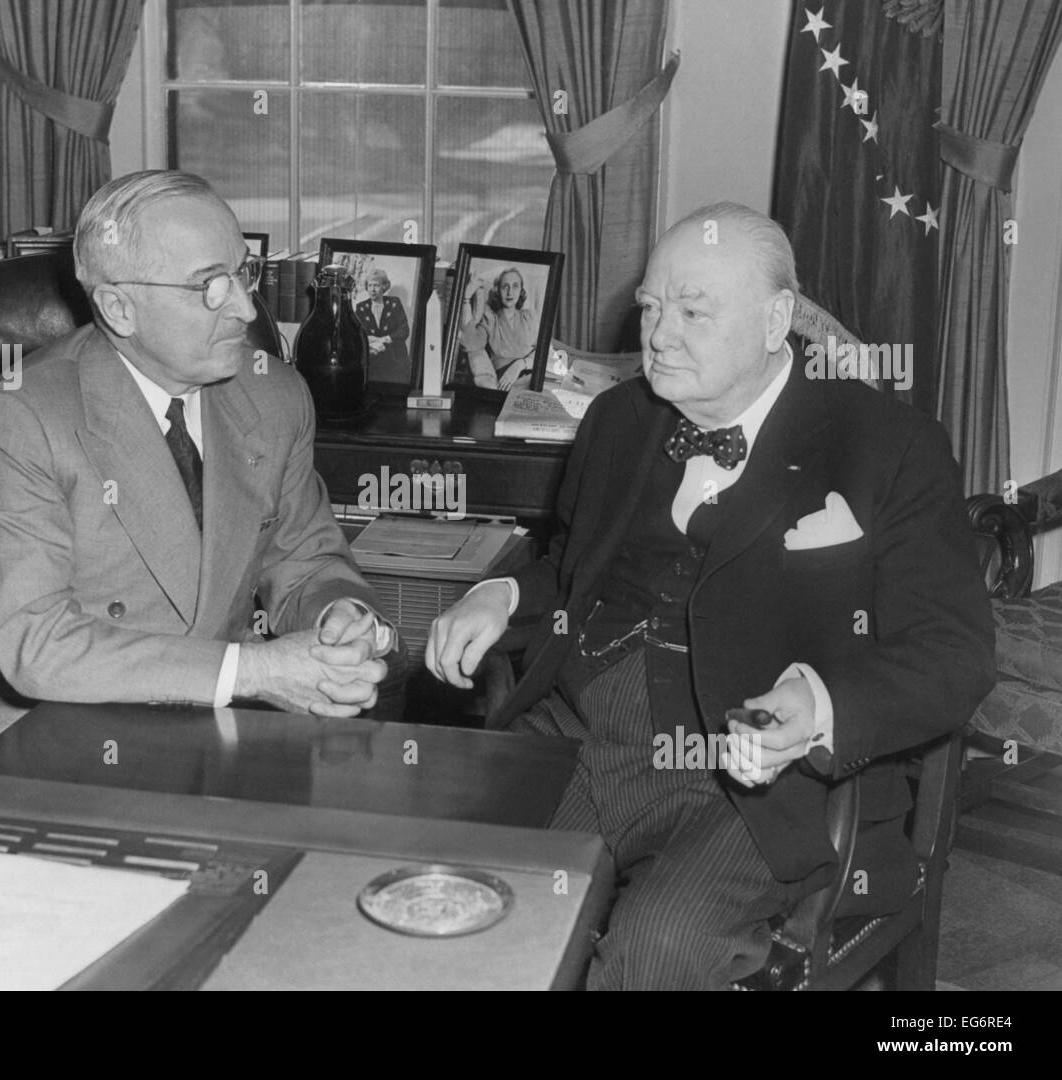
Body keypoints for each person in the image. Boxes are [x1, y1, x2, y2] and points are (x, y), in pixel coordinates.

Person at [425, 202, 995, 989]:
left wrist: (820, 707)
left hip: (750, 776)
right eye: (652, 308)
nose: (658, 336)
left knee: (655, 947)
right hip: (578, 734)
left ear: (775, 321)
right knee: (455, 902)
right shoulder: (620, 419)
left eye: (693, 312)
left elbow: (953, 655)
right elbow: (569, 569)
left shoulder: (890, 447)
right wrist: (498, 596)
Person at [0, 170, 396, 772]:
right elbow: (37, 646)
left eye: (242, 273)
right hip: (29, 731)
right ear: (119, 307)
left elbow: (303, 558)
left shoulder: (275, 397)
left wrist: (338, 616)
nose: (246, 310)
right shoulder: (22, 417)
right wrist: (257, 670)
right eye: (207, 287)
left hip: (205, 726)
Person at [457, 267, 539, 390]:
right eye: (505, 286)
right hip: (504, 384)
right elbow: (470, 343)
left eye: (515, 286)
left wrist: (520, 364)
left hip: (530, 374)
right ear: (498, 290)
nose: (510, 292)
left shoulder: (529, 317)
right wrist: (466, 298)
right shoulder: (491, 319)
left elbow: (545, 351)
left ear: (521, 290)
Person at [354, 268, 411, 384]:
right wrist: (371, 341)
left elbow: (404, 330)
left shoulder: (394, 303)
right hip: (372, 360)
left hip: (394, 358)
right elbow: (356, 333)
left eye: (376, 285)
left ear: (384, 287)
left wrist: (385, 339)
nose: (372, 290)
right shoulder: (361, 307)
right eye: (369, 285)